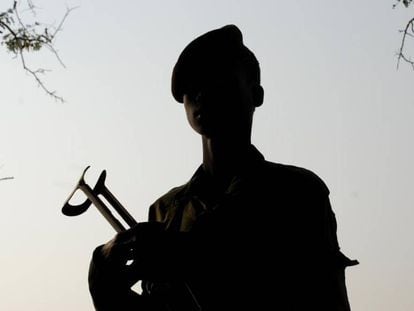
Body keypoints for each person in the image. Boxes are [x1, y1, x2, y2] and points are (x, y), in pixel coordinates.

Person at [88, 24, 358, 311]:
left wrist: (186, 255)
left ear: (256, 94)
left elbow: (324, 298)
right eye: (191, 88)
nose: (201, 93)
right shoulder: (165, 211)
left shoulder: (296, 192)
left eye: (217, 79)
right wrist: (104, 287)